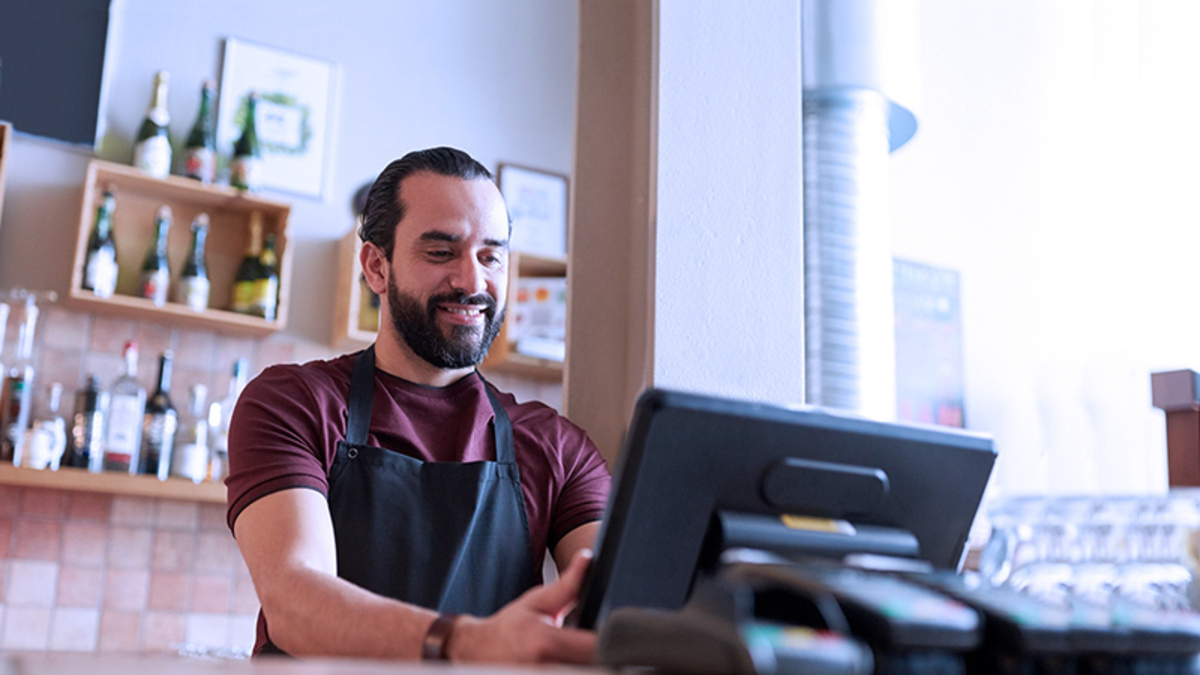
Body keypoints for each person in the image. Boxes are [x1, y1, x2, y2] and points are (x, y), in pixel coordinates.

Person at [225, 147, 612, 664]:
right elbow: (295, 601)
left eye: (491, 256)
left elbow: (620, 602)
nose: (473, 282)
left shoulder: (558, 446)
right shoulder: (295, 404)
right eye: (441, 253)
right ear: (376, 266)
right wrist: (466, 644)